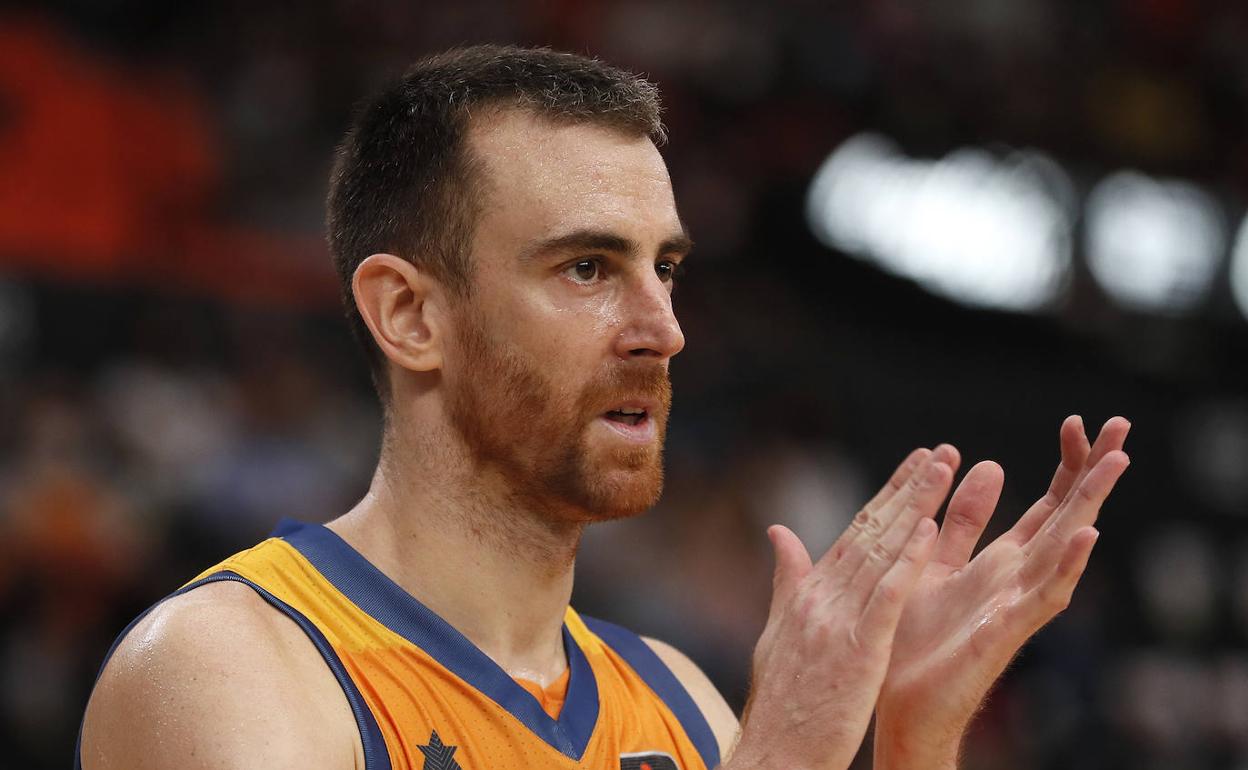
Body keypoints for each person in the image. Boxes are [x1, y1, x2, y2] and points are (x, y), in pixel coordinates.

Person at [77, 45, 1131, 770]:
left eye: (665, 267)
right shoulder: (225, 666)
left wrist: (912, 739)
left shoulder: (675, 697)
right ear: (408, 314)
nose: (663, 326)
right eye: (586, 267)